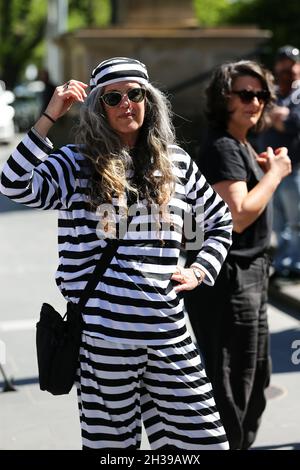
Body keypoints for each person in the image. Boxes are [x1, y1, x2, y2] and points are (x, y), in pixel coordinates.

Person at [0, 57, 233, 450]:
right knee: (111, 449)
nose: (127, 103)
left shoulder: (177, 162)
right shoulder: (75, 163)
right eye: (113, 97)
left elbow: (220, 222)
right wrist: (48, 118)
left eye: (135, 94)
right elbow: (13, 183)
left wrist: (199, 271)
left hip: (168, 333)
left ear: (150, 100)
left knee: (205, 444)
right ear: (97, 107)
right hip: (103, 340)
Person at [184, 60, 291, 450]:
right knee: (232, 388)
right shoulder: (224, 146)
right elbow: (238, 218)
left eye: (261, 94)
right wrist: (274, 175)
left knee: (252, 381)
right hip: (229, 282)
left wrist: (262, 173)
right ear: (222, 98)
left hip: (245, 279)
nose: (256, 102)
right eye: (245, 94)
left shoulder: (237, 143)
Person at [257, 45, 300, 278]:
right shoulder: (272, 93)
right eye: (283, 64)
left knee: (296, 221)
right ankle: (283, 262)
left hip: (294, 167)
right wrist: (278, 118)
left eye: (292, 64)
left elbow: (293, 124)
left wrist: (279, 118)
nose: (287, 68)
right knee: (278, 223)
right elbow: (261, 121)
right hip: (270, 167)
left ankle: (295, 264)